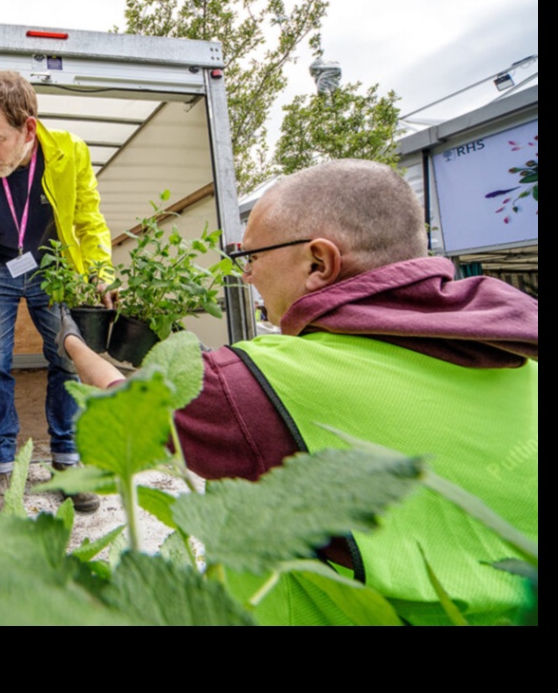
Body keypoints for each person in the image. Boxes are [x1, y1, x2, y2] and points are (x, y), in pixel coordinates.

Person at [61, 159, 538, 625]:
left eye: (250, 257)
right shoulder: (518, 355)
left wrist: (71, 340)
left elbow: (124, 407)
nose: (246, 275)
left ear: (319, 262)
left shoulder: (257, 385)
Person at [0, 70, 114, 514]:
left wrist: (101, 273)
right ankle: (0, 465)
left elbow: (88, 221)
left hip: (49, 263)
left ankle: (68, 464)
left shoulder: (69, 153)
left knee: (67, 359)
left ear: (28, 127)